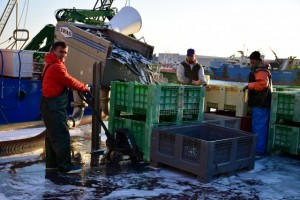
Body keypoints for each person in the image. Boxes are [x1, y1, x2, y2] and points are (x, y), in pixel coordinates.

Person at [40, 41, 90, 173]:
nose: (64, 55)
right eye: (61, 51)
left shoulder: (49, 64)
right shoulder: (56, 66)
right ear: (53, 51)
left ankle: (52, 164)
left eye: (65, 52)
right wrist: (85, 88)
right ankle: (65, 166)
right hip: (54, 107)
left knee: (52, 136)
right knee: (61, 136)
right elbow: (69, 81)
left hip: (47, 105)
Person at [243, 51, 272, 155]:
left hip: (261, 103)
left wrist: (249, 86)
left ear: (255, 60)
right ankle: (258, 149)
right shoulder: (262, 69)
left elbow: (263, 85)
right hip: (260, 103)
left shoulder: (261, 71)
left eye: (251, 61)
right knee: (259, 126)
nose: (251, 63)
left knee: (259, 126)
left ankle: (259, 150)